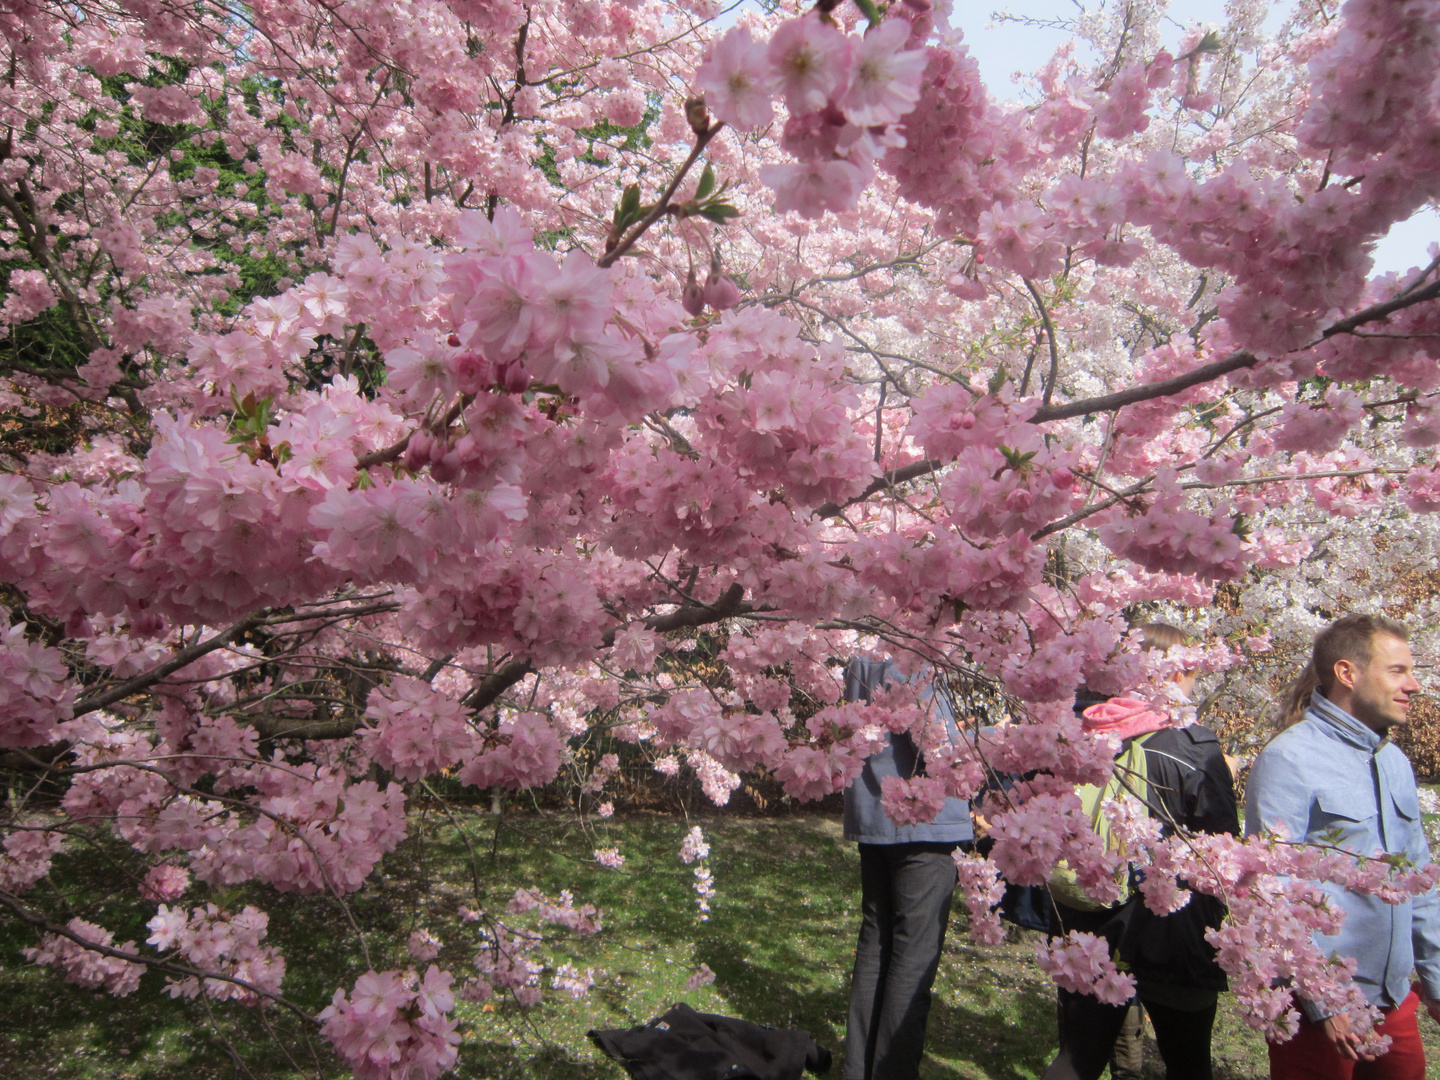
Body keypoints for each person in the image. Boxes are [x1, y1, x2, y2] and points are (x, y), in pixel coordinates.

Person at [1246, 614, 1440, 1080]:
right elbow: (1267, 889)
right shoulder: (1287, 760)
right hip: (1320, 1013)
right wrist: (1322, 999)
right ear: (1347, 674)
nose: (1414, 685)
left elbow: (1419, 878)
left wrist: (1435, 980)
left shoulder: (1393, 761)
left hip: (1393, 1001)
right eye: (1397, 671)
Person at [1043, 622, 1239, 1080]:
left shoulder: (1083, 732)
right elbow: (1224, 852)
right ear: (1169, 675)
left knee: (1077, 1057)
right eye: (1190, 669)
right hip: (1175, 931)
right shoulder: (1194, 750)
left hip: (1090, 920)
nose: (1194, 680)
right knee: (1189, 1063)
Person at [842, 657, 972, 1080]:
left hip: (875, 815)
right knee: (912, 955)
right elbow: (936, 745)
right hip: (923, 823)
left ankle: (859, 1069)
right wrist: (989, 744)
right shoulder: (907, 645)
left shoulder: (860, 648)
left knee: (876, 944)